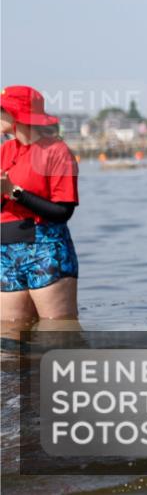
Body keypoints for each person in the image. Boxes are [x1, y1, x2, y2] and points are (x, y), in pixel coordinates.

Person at [1, 86, 80, 330]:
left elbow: (63, 212)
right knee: (8, 341)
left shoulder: (56, 151)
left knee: (58, 335)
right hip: (6, 254)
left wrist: (15, 191)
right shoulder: (4, 151)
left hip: (46, 252)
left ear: (17, 114)